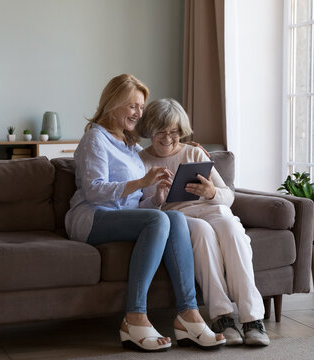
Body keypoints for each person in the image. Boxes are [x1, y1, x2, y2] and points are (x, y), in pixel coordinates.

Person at [65, 75, 225, 352]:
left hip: (122, 218)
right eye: (132, 106)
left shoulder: (132, 146)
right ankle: (135, 317)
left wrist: (157, 196)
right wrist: (141, 182)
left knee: (172, 217)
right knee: (159, 218)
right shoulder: (95, 139)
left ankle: (189, 314)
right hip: (92, 217)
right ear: (113, 104)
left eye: (141, 107)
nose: (139, 113)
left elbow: (140, 207)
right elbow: (93, 190)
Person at [136, 98, 270, 346]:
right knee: (202, 233)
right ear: (149, 131)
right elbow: (137, 209)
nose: (168, 138)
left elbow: (228, 197)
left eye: (174, 132)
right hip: (177, 217)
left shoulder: (194, 152)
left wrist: (210, 192)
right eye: (161, 132)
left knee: (231, 229)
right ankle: (222, 316)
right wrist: (157, 198)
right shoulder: (139, 160)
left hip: (211, 208)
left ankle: (253, 319)